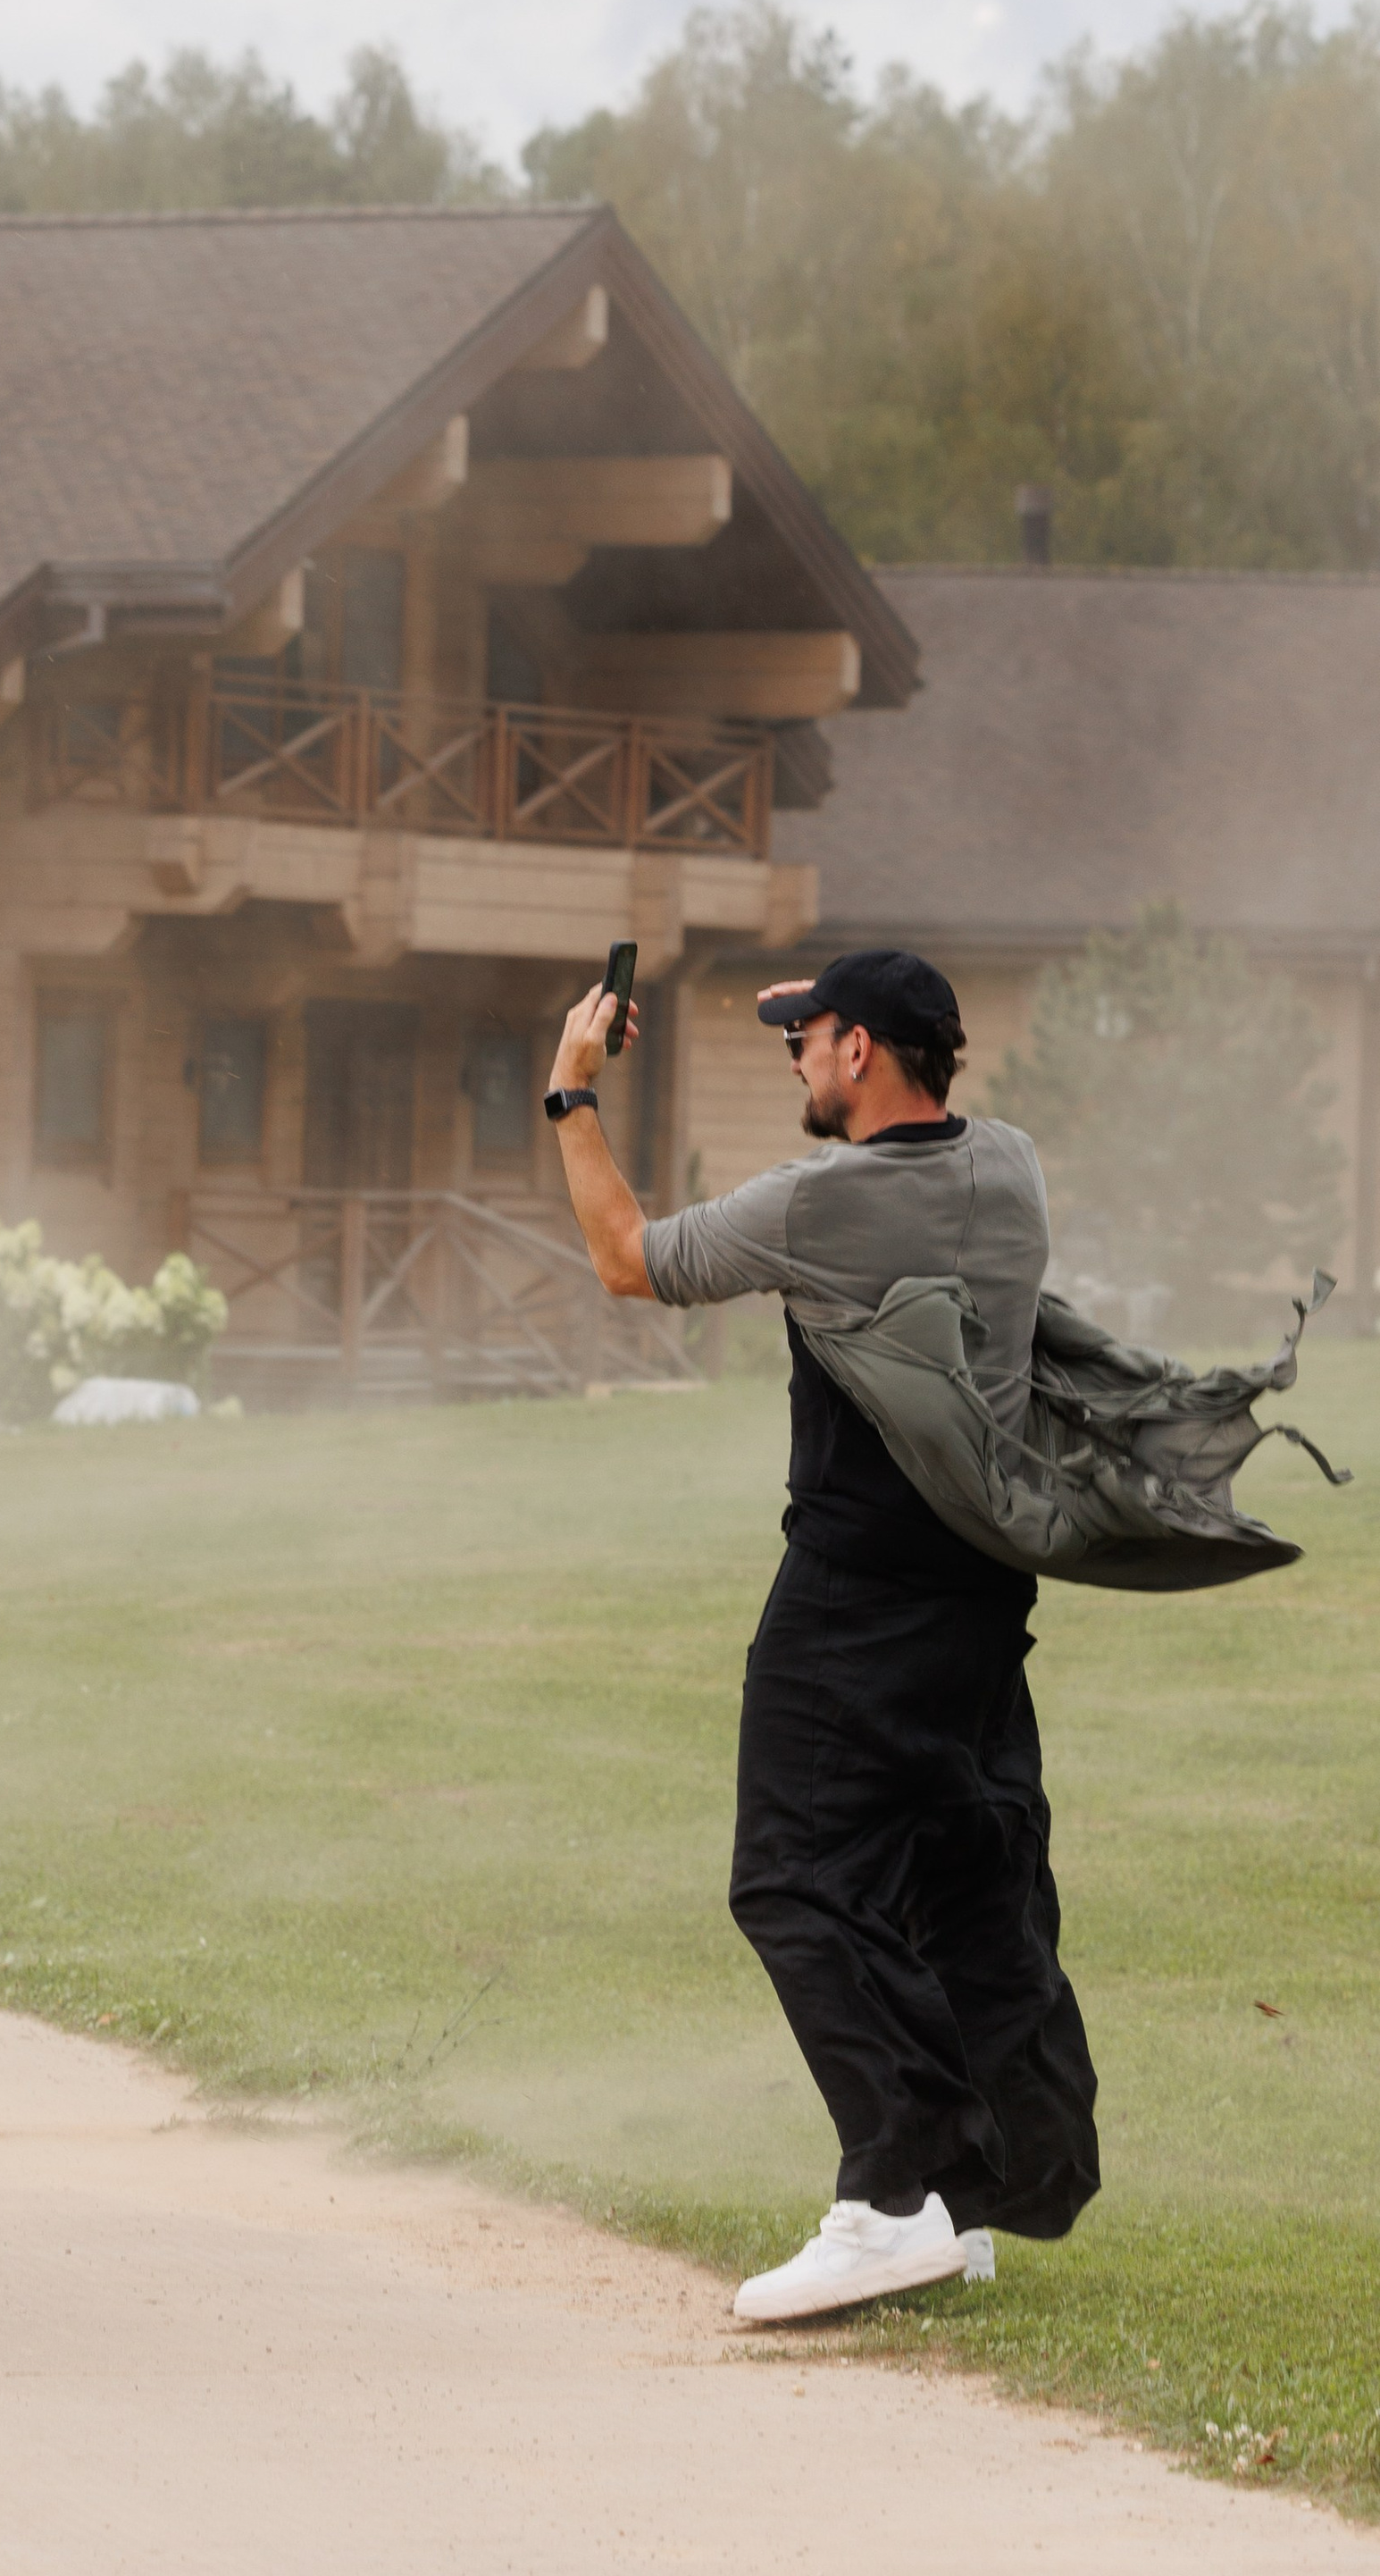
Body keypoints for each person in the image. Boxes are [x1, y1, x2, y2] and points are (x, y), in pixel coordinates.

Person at [544, 947, 1099, 2325]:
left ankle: (891, 2194)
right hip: (984, 1599)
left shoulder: (822, 1205)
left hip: (854, 1600)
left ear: (861, 1053)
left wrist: (571, 1092)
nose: (793, 1056)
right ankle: (976, 2198)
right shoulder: (1012, 1167)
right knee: (959, 1882)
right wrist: (848, 990)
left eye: (809, 1037)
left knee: (792, 1880)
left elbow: (627, 1262)